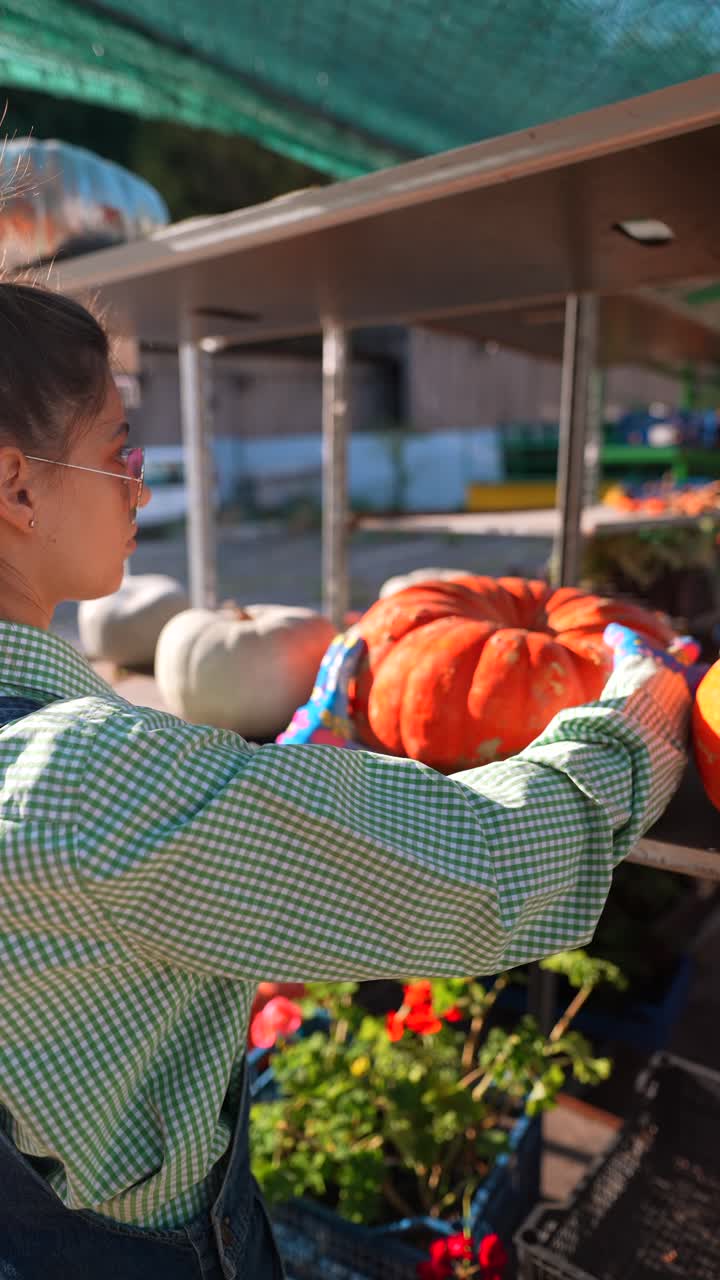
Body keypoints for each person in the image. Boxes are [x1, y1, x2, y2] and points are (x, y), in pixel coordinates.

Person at [0, 281, 695, 1279]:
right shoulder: (80, 780)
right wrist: (641, 714)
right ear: (17, 485)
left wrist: (299, 761)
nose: (140, 487)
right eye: (121, 451)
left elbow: (113, 900)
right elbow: (482, 870)